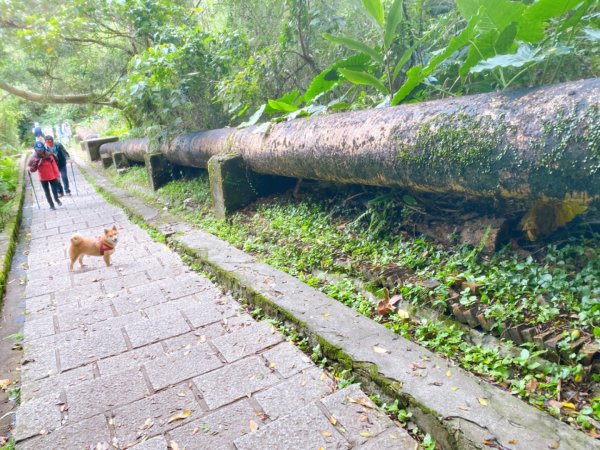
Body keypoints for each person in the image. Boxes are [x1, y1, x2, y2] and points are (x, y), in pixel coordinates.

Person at [27, 142, 62, 210]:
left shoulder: (49, 155)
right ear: (35, 149)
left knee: (54, 190)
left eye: (41, 149)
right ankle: (51, 205)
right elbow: (28, 166)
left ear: (44, 148)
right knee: (47, 192)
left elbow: (55, 166)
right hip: (43, 178)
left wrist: (57, 175)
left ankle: (56, 199)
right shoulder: (33, 157)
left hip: (52, 176)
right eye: (38, 149)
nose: (40, 151)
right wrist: (29, 168)